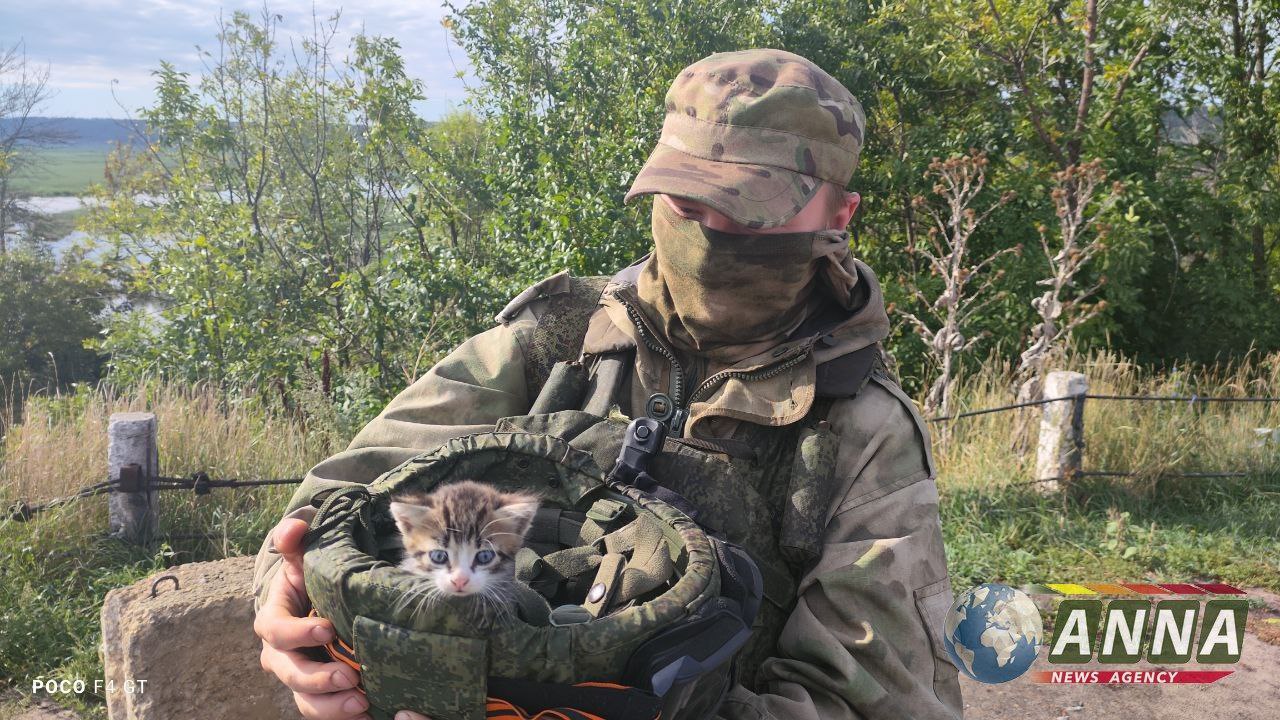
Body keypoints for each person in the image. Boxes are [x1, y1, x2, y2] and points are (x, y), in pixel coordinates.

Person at [252, 48, 963, 720]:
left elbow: (873, 702)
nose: (712, 230)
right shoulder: (557, 344)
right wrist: (293, 612)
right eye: (688, 202)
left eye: (755, 209)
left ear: (840, 216)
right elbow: (337, 495)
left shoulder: (860, 431)